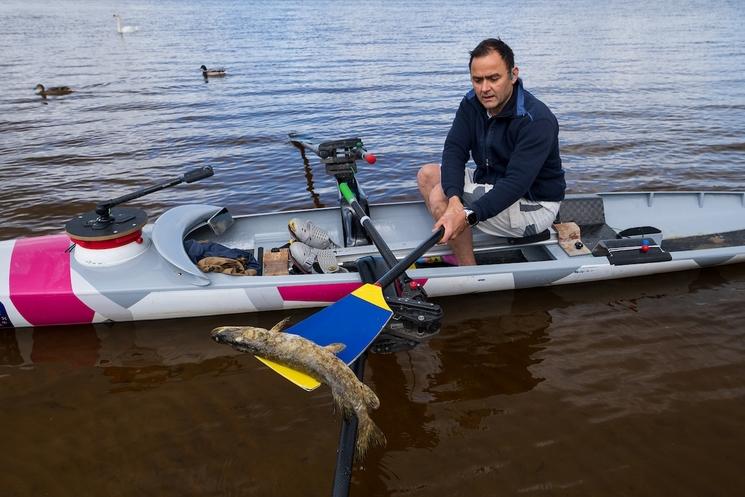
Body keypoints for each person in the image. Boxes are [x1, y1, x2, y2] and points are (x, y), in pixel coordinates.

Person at [417, 38, 566, 266]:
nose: (484, 88)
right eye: (477, 80)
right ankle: (458, 244)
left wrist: (465, 214)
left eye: (493, 78)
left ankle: (469, 271)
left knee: (439, 195)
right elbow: (454, 150)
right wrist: (455, 199)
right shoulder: (471, 104)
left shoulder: (536, 120)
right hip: (492, 185)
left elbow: (516, 184)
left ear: (513, 75)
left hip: (534, 204)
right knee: (427, 175)